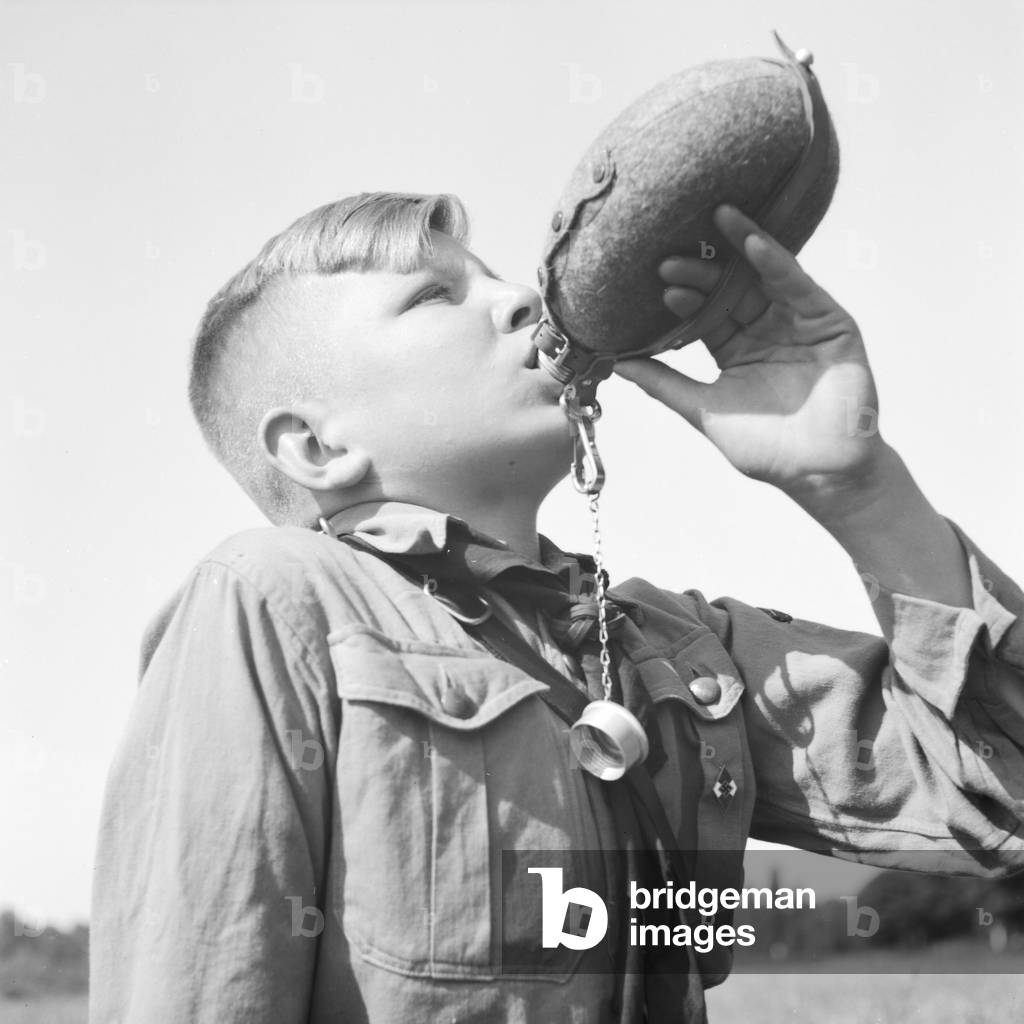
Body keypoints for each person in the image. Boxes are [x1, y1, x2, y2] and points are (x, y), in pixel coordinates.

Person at [89, 191, 1024, 1024]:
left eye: (497, 276)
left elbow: (998, 792)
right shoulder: (275, 601)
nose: (522, 299)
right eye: (433, 296)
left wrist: (858, 486)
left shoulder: (679, 650)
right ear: (316, 448)